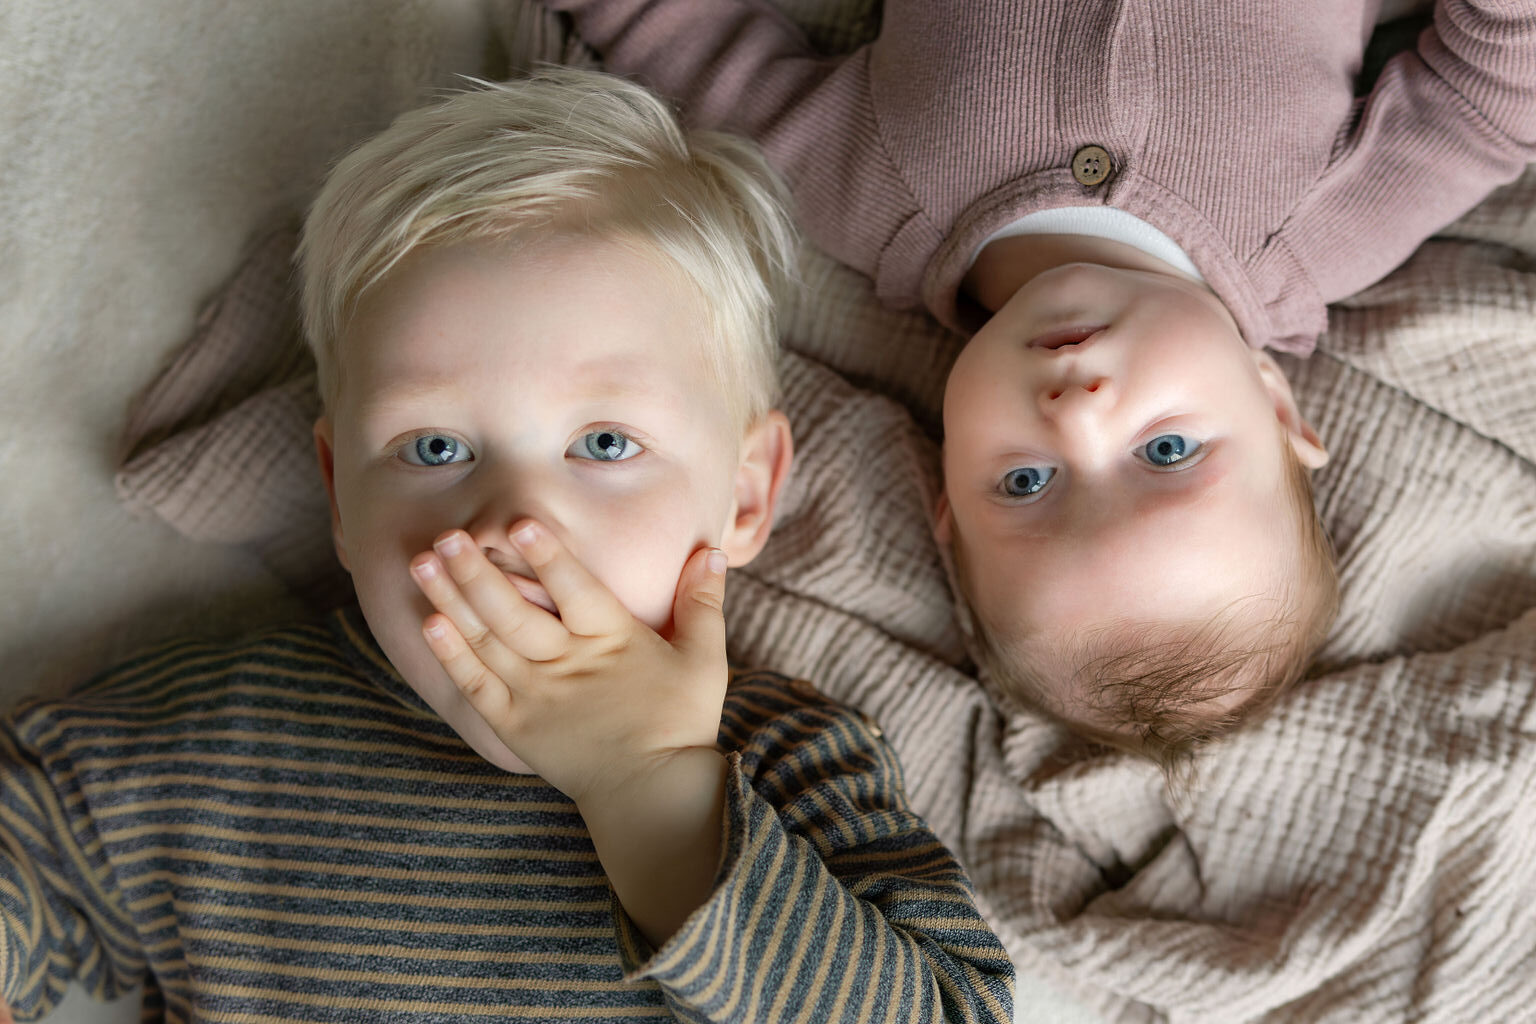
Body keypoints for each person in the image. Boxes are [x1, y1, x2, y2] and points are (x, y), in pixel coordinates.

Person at [0, 68, 1014, 1022]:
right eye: (434, 445)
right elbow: (33, 830)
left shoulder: (783, 767)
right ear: (340, 499)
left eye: (606, 443)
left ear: (745, 498)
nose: (513, 526)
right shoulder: (230, 744)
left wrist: (654, 790)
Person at [537, 0, 1536, 766]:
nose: (1079, 417)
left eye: (1025, 483)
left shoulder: (860, 193)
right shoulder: (1324, 232)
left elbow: (672, 32)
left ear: (945, 494)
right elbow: (1490, 100)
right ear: (1276, 406)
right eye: (1167, 451)